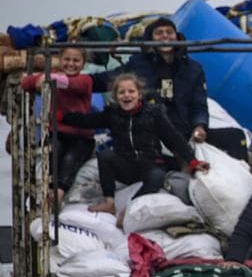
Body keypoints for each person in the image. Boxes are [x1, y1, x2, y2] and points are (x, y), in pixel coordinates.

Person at [60, 73, 208, 215]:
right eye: (121, 92)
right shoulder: (112, 114)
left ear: (139, 94)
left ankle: (130, 209)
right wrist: (61, 117)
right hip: (126, 165)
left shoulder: (154, 114)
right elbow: (87, 120)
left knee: (158, 175)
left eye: (131, 91)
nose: (127, 95)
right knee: (105, 155)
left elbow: (173, 138)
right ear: (116, 97)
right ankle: (109, 202)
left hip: (150, 164)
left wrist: (192, 161)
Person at [93, 17, 210, 142]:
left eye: (169, 32)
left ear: (177, 37)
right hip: (147, 133)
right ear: (151, 38)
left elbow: (199, 103)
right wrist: (82, 81)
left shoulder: (193, 69)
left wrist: (200, 126)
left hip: (182, 132)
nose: (165, 36)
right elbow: (109, 79)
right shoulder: (137, 65)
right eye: (159, 33)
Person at [21, 46, 95, 204]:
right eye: (67, 59)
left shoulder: (85, 80)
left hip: (81, 136)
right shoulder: (53, 75)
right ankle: (49, 190)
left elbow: (70, 84)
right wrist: (40, 79)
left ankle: (60, 191)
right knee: (53, 153)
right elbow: (25, 83)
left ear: (83, 63)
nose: (71, 64)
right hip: (57, 133)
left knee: (70, 159)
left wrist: (46, 78)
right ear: (60, 60)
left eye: (76, 60)